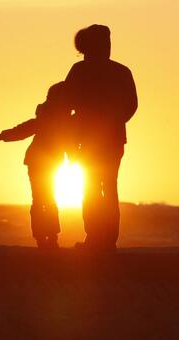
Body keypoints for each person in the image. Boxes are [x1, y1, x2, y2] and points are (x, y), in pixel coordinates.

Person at [65, 24, 137, 251]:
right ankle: (102, 239)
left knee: (96, 187)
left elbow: (66, 104)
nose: (107, 47)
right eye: (104, 42)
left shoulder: (82, 71)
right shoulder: (114, 71)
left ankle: (99, 238)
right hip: (100, 139)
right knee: (102, 187)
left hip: (96, 139)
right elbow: (131, 106)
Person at [0, 82, 74, 249]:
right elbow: (23, 130)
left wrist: (73, 157)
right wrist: (1, 136)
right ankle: (45, 236)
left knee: (44, 198)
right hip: (39, 162)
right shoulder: (51, 118)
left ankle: (48, 236)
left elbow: (67, 141)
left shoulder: (59, 118)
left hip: (47, 162)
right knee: (43, 198)